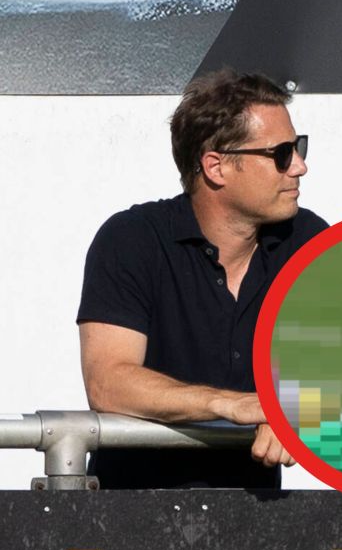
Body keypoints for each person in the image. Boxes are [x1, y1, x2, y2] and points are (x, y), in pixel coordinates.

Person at [77, 69, 328, 488]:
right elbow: (108, 383)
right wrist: (233, 405)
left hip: (261, 516)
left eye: (298, 147)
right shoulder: (132, 240)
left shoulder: (307, 241)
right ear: (216, 166)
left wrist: (299, 404)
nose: (300, 166)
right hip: (129, 513)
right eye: (282, 154)